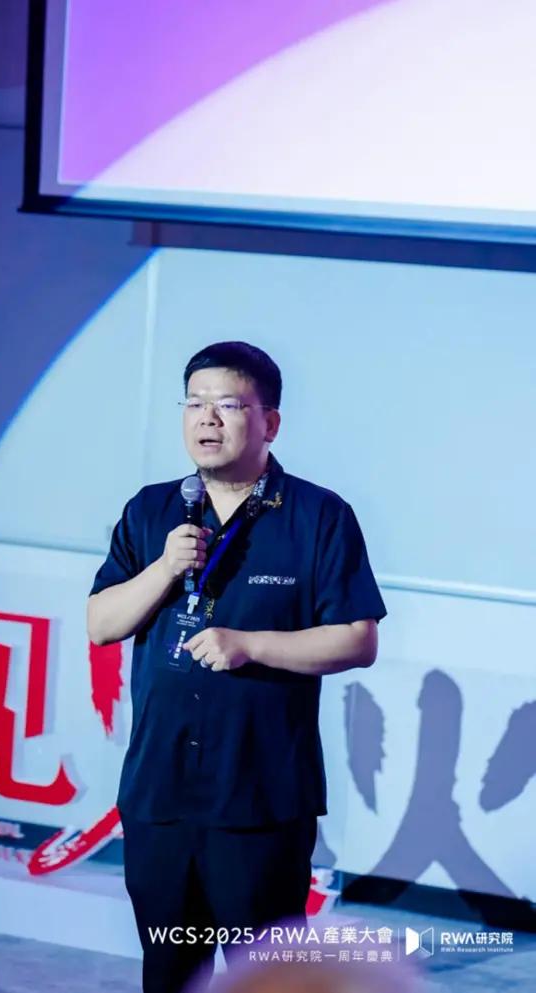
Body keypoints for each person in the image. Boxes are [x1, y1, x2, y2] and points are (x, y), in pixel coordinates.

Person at [87, 341, 387, 993]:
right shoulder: (152, 511)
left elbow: (358, 639)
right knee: (170, 970)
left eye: (227, 404)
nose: (207, 418)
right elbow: (101, 623)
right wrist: (164, 568)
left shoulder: (318, 516)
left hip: (261, 799)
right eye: (194, 403)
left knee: (266, 979)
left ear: (269, 421)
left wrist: (250, 645)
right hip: (160, 794)